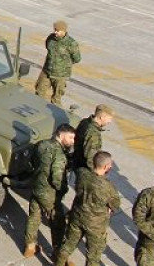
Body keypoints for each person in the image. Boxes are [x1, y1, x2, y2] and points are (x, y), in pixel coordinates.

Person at [53, 151, 120, 266]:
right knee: (93, 256)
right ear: (106, 167)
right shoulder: (108, 187)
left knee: (68, 244)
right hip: (96, 225)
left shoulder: (82, 174)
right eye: (110, 165)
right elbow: (115, 205)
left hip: (77, 216)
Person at [23, 123, 77, 258]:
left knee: (34, 217)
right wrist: (63, 190)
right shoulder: (59, 155)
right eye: (70, 138)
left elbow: (32, 161)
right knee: (58, 224)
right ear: (61, 135)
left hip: (36, 186)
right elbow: (57, 178)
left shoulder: (41, 144)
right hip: (50, 194)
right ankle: (58, 254)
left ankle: (29, 246)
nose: (72, 142)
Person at [35, 20, 81, 105]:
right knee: (39, 93)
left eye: (58, 30)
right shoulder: (51, 38)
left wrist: (64, 64)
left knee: (56, 99)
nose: (55, 32)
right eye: (54, 30)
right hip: (47, 72)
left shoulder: (71, 43)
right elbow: (48, 47)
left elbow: (77, 58)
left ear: (63, 31)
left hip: (60, 75)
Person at [73, 104, 115, 171]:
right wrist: (96, 174)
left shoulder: (85, 122)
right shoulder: (93, 133)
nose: (110, 122)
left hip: (76, 160)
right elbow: (90, 157)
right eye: (109, 119)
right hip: (83, 168)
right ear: (102, 117)